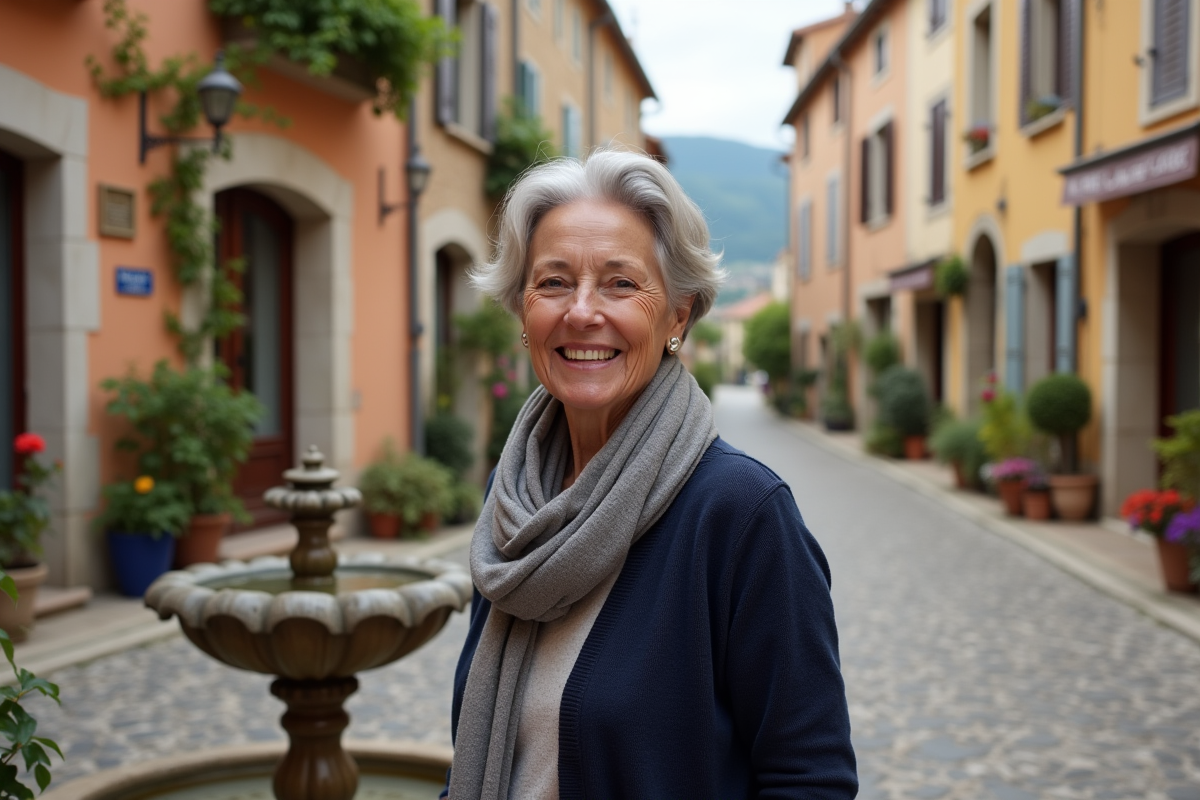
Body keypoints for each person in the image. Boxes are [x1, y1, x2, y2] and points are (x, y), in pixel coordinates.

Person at [444, 149, 857, 800]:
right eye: (553, 282)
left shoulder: (740, 514)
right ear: (522, 313)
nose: (582, 312)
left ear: (679, 316)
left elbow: (810, 779)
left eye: (620, 283)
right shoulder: (516, 498)